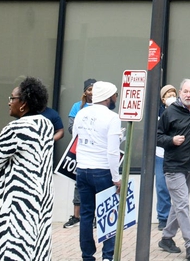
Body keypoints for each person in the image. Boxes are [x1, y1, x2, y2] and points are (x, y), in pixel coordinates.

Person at [0, 77, 55, 261]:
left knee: (12, 252)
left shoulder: (15, 128)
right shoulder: (46, 125)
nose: (9, 102)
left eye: (12, 98)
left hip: (15, 208)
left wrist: (8, 169)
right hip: (40, 205)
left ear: (23, 103)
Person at [155, 79, 190, 260]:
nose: (188, 95)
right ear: (180, 92)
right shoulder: (169, 112)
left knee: (180, 204)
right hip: (174, 166)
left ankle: (166, 238)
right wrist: (171, 141)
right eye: (185, 91)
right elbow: (157, 137)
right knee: (182, 204)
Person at [73, 81, 122, 261]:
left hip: (83, 169)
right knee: (108, 213)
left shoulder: (81, 113)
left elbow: (75, 139)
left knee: (86, 214)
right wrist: (116, 177)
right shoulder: (112, 118)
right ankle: (107, 256)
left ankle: (87, 255)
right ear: (108, 97)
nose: (116, 98)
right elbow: (112, 151)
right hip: (102, 170)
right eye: (115, 95)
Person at [64, 78, 96, 228]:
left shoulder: (102, 107)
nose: (92, 92)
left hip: (96, 151)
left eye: (95, 89)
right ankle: (76, 216)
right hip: (80, 149)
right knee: (79, 182)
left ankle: (95, 216)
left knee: (96, 182)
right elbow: (71, 128)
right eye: (89, 89)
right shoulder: (77, 107)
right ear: (85, 91)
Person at [155, 84, 178, 230]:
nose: (171, 97)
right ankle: (163, 218)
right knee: (162, 186)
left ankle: (175, 218)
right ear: (163, 99)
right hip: (160, 154)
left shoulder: (181, 112)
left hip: (176, 154)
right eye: (168, 95)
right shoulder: (157, 113)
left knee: (177, 188)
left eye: (173, 94)